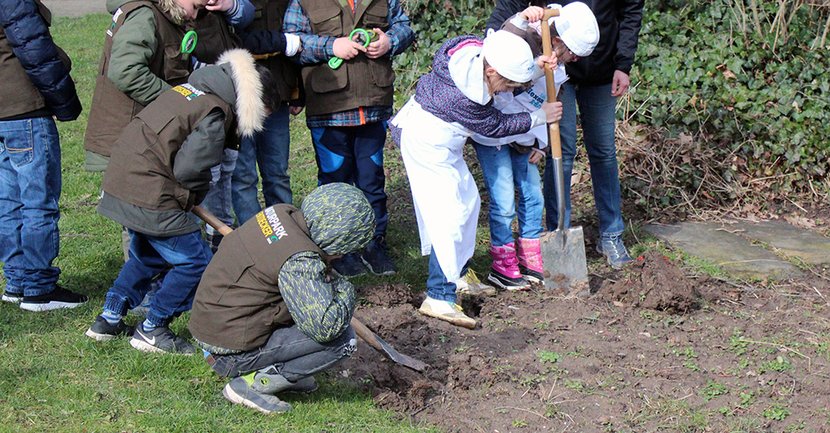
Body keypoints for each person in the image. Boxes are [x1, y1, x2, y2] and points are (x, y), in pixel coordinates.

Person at [85, 49, 275, 354]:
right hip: (150, 191)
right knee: (195, 262)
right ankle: (153, 328)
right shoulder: (215, 111)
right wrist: (192, 197)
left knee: (148, 256)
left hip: (124, 180)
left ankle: (108, 318)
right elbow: (189, 170)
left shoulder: (191, 91)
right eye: (265, 110)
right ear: (254, 101)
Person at [389, 30, 560, 328]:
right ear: (491, 71)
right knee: (448, 217)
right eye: (505, 83)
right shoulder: (464, 97)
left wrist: (535, 65)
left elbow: (497, 46)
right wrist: (539, 117)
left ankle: (459, 275)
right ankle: (439, 296)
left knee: (469, 202)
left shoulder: (468, 50)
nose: (507, 90)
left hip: (444, 140)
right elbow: (497, 125)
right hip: (425, 141)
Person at [189, 183, 373, 414]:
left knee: (312, 304)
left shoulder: (281, 214)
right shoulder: (300, 262)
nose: (342, 255)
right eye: (345, 249)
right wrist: (344, 289)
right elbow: (325, 327)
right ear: (336, 238)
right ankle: (252, 384)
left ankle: (284, 372)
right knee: (344, 340)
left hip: (214, 324)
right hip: (227, 352)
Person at [489, 0, 645, 269]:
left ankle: (611, 235)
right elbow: (513, 8)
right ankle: (557, 231)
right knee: (562, 149)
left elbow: (630, 11)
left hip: (602, 67)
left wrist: (624, 63)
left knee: (604, 152)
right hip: (556, 66)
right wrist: (495, 45)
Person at [283, 0, 415, 277]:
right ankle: (338, 250)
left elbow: (404, 27)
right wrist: (331, 47)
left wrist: (389, 42)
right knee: (334, 182)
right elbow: (292, 43)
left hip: (373, 105)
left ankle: (374, 244)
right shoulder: (302, 2)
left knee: (372, 181)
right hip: (329, 109)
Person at [471, 3, 598, 290]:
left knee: (533, 196)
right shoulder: (520, 35)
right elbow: (503, 80)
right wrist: (521, 18)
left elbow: (548, 102)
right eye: (571, 53)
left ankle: (530, 256)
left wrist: (541, 143)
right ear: (555, 41)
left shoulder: (560, 66)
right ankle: (503, 264)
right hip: (495, 135)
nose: (573, 60)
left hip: (527, 137)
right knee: (504, 201)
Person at [0, 0, 88, 311]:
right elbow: (34, 48)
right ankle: (38, 288)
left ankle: (17, 281)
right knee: (37, 201)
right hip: (23, 109)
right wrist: (65, 102)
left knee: (9, 202)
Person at [229, 0, 304, 236]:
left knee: (277, 173)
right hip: (240, 95)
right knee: (243, 176)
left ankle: (287, 234)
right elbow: (232, 41)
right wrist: (280, 43)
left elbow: (298, 42)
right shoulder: (233, 5)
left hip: (278, 95)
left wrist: (297, 91)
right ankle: (256, 239)